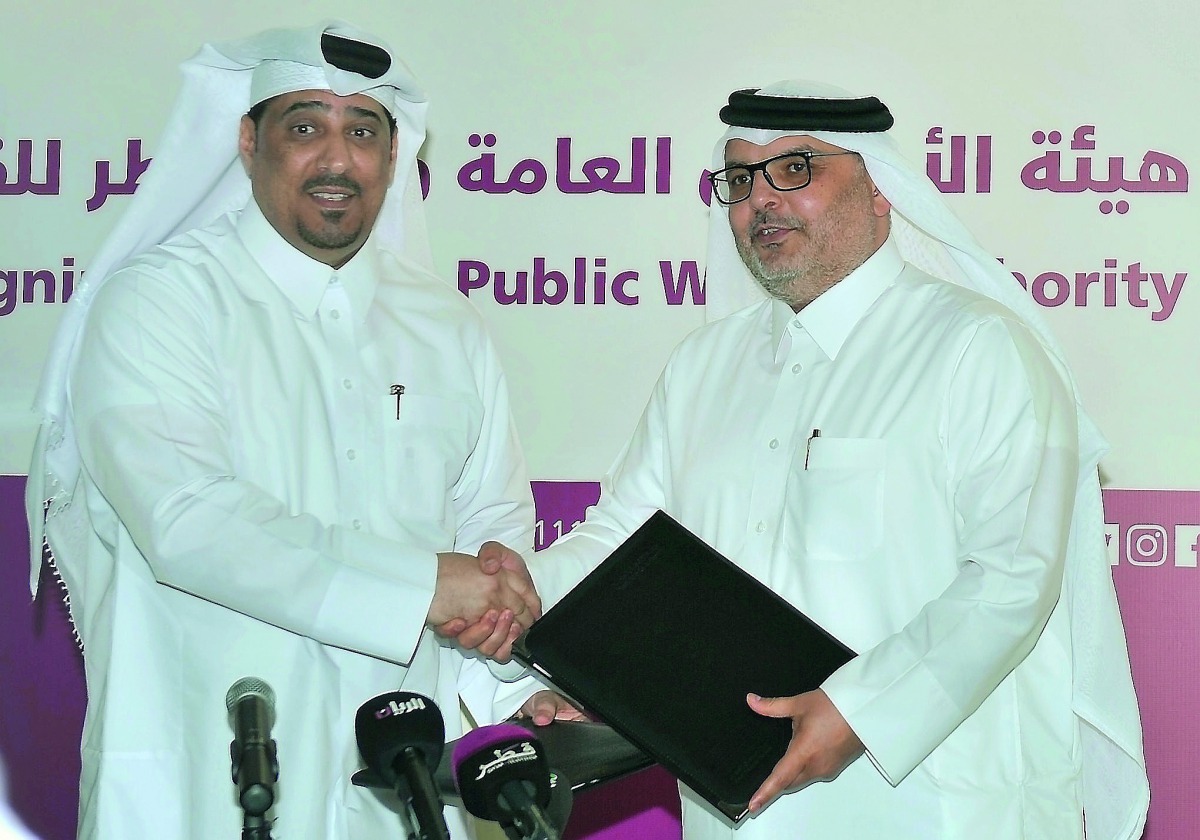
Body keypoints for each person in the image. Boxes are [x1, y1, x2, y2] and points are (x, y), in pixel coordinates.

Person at [457, 81, 1150, 839]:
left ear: (881, 190)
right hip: (738, 801)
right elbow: (619, 544)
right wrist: (526, 606)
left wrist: (861, 709)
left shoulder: (979, 348)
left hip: (933, 803)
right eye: (741, 178)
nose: (763, 200)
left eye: (797, 168)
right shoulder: (704, 366)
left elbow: (1013, 577)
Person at [24, 21, 545, 839]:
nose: (336, 160)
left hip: (396, 784)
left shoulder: (447, 326)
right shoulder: (159, 303)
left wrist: (505, 632)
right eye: (304, 127)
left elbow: (494, 529)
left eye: (362, 131)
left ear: (391, 154)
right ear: (247, 141)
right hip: (206, 775)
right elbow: (189, 520)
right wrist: (424, 587)